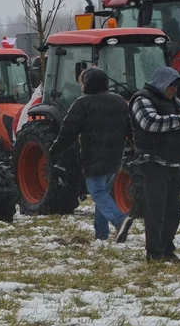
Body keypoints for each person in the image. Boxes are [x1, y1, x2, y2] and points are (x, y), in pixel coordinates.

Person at [49, 67, 133, 243]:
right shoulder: (119, 101)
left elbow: (68, 132)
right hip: (115, 156)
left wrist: (54, 151)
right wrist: (135, 145)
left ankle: (120, 220)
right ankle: (101, 235)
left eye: (82, 83)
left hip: (93, 156)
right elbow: (130, 128)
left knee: (97, 192)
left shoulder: (82, 103)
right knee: (104, 193)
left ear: (87, 84)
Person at [129, 66, 180, 263]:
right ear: (161, 83)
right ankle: (155, 253)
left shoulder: (175, 101)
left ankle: (167, 249)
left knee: (173, 212)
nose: (174, 90)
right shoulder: (142, 99)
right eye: (171, 86)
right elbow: (150, 123)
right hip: (153, 162)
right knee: (156, 211)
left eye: (177, 87)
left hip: (174, 162)